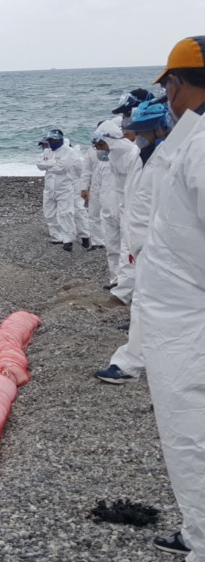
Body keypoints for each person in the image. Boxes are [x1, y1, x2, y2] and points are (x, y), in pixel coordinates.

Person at [135, 35, 205, 562]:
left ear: (178, 83)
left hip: (188, 320)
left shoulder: (201, 145)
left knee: (191, 433)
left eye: (170, 84)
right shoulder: (193, 137)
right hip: (179, 313)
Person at [94, 100, 173, 384]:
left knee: (152, 303)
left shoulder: (166, 157)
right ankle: (136, 363)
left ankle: (134, 364)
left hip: (161, 244)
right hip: (145, 243)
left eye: (144, 130)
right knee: (146, 302)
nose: (138, 136)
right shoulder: (143, 155)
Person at [91, 119, 139, 290]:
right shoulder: (111, 157)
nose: (100, 149)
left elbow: (134, 187)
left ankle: (128, 285)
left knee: (128, 248)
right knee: (112, 247)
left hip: (127, 207)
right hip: (109, 206)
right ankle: (115, 280)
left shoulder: (132, 154)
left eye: (101, 145)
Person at [35, 129, 81, 251]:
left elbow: (63, 167)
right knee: (49, 213)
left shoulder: (69, 152)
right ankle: (56, 236)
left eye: (55, 139)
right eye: (51, 140)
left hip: (64, 188)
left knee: (65, 214)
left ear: (60, 139)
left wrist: (49, 165)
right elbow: (39, 165)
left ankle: (68, 240)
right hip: (49, 187)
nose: (52, 142)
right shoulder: (47, 151)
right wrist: (53, 163)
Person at [78, 121, 111, 251]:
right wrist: (84, 188)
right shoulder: (92, 150)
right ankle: (98, 242)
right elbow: (87, 170)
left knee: (111, 214)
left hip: (112, 185)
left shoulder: (115, 147)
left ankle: (111, 241)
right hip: (96, 185)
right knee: (94, 214)